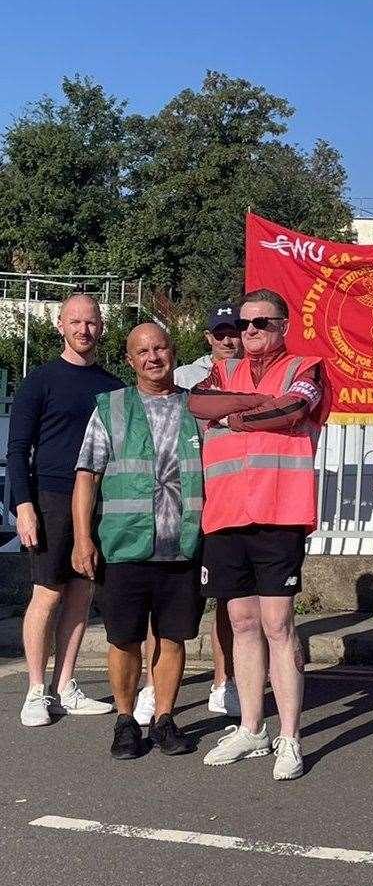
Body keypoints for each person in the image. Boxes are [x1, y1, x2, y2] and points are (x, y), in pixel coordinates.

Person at [190, 289, 330, 781]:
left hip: (279, 511)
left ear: (283, 325)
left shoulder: (306, 367)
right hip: (227, 514)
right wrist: (251, 404)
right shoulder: (219, 372)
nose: (248, 332)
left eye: (261, 323)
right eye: (243, 325)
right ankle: (252, 727)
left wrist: (235, 414)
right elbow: (198, 404)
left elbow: (293, 409)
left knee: (278, 624)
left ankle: (289, 736)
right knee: (242, 622)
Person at [69, 323, 203, 759]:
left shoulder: (197, 407)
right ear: (129, 360)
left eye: (160, 347)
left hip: (181, 544)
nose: (153, 357)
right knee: (123, 638)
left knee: (173, 637)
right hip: (125, 544)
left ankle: (164, 718)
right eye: (142, 351)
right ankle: (126, 721)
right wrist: (82, 538)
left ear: (173, 351)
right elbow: (87, 477)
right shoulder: (111, 408)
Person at [10, 293, 121, 726]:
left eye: (91, 322)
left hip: (97, 500)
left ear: (101, 327)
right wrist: (23, 506)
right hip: (50, 498)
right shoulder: (40, 381)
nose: (83, 330)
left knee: (82, 593)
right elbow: (18, 448)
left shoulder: (114, 387)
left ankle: (65, 687)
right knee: (47, 594)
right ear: (60, 325)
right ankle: (36, 690)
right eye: (75, 322)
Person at [171, 301, 242, 716]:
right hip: (184, 497)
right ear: (208, 337)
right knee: (170, 596)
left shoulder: (252, 374)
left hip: (227, 494)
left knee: (226, 598)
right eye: (220, 333)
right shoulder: (184, 379)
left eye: (234, 331)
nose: (228, 340)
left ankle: (224, 682)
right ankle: (155, 686)